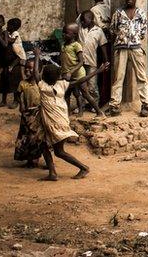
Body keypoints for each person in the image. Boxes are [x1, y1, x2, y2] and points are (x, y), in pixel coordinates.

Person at [35, 48, 108, 181]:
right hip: (60, 122)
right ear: (58, 77)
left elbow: (35, 73)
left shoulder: (42, 87)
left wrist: (37, 56)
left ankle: (83, 167)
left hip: (53, 124)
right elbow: (80, 81)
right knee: (43, 145)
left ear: (44, 77)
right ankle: (52, 173)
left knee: (59, 152)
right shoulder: (62, 85)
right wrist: (97, 71)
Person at [107, 0, 148, 117]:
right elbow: (112, 30)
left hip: (136, 48)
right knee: (118, 77)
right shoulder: (118, 13)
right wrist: (122, 39)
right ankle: (114, 105)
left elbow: (143, 32)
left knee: (141, 77)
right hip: (121, 48)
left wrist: (133, 39)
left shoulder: (141, 14)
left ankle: (146, 104)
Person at [59, 24, 101, 116]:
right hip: (66, 74)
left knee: (85, 93)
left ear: (74, 34)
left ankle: (99, 112)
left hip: (78, 74)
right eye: (63, 32)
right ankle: (67, 113)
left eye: (66, 33)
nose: (63, 34)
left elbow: (81, 62)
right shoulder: (63, 45)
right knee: (67, 94)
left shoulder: (76, 45)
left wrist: (71, 72)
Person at [14, 57, 44, 168]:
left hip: (38, 114)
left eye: (30, 68)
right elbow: (18, 95)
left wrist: (37, 56)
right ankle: (30, 160)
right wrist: (21, 104)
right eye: (26, 68)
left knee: (36, 137)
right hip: (26, 114)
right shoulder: (23, 83)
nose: (27, 70)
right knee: (26, 137)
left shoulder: (40, 83)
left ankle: (37, 159)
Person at [78, 10, 107, 107]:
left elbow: (103, 46)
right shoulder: (81, 28)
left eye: (84, 20)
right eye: (81, 20)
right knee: (81, 84)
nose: (82, 22)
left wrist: (106, 61)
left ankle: (95, 105)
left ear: (91, 20)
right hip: (80, 63)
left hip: (91, 62)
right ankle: (81, 105)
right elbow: (78, 12)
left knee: (92, 86)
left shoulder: (98, 31)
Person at [0, 14, 20, 108]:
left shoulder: (5, 33)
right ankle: (3, 101)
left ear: (3, 23)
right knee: (4, 81)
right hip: (3, 62)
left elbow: (5, 45)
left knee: (14, 82)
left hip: (12, 60)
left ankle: (16, 101)